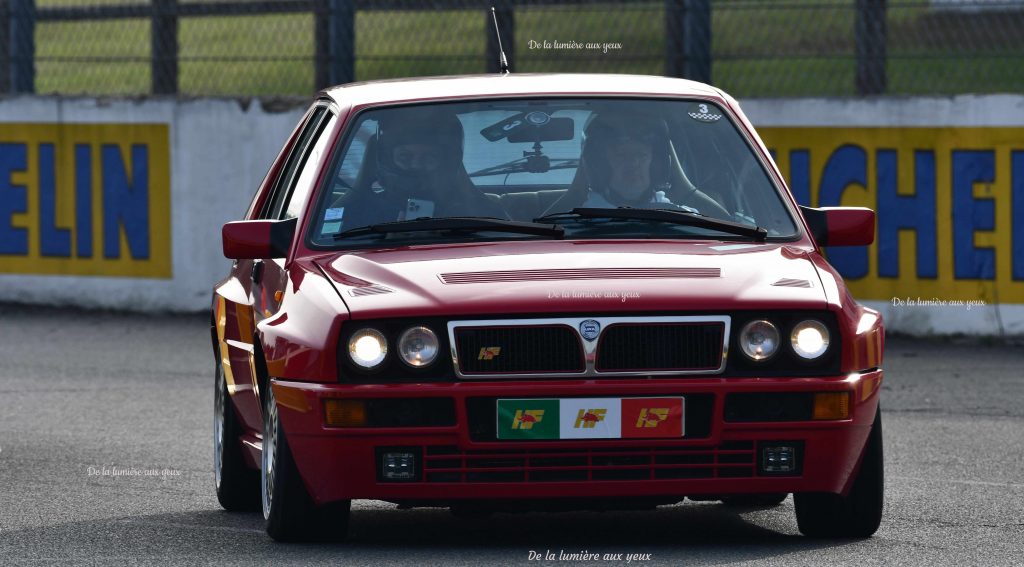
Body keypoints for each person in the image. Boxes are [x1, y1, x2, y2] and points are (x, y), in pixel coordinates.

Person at [335, 109, 507, 229]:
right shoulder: (358, 211)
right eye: (405, 157)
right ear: (386, 159)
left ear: (447, 161)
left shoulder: (473, 213)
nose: (416, 165)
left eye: (428, 158)